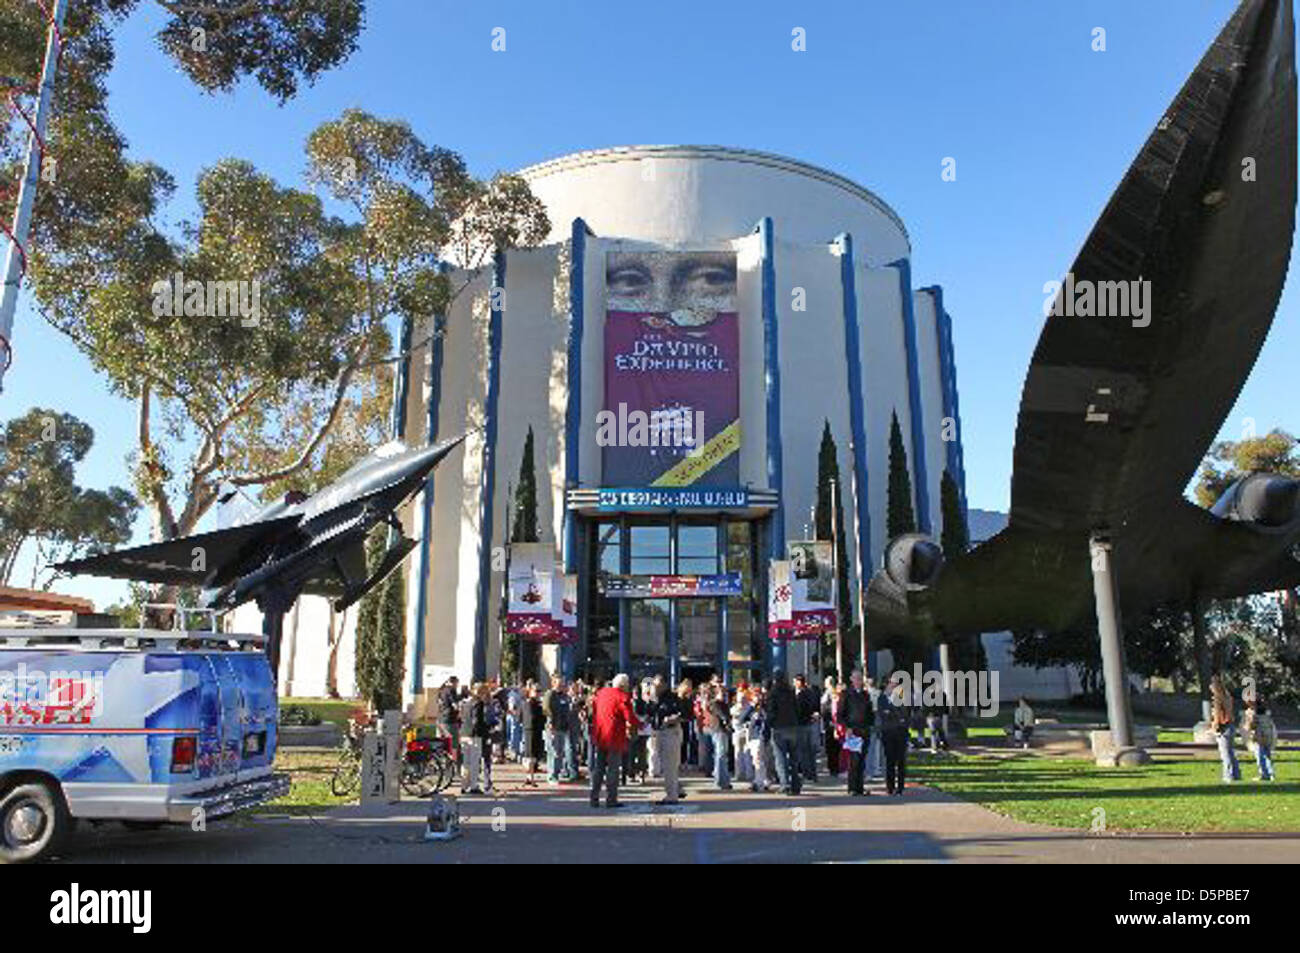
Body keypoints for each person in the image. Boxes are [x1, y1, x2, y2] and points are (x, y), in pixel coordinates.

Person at [590, 673, 639, 808]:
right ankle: (611, 799)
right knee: (613, 770)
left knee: (598, 769)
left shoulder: (601, 693)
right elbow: (629, 717)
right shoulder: (622, 697)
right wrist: (640, 724)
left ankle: (594, 798)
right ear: (623, 685)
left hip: (600, 735)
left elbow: (594, 712)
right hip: (614, 737)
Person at [765, 670, 802, 794]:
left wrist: (767, 728)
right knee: (794, 758)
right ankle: (796, 784)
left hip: (779, 727)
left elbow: (771, 713)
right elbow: (797, 709)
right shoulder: (791, 692)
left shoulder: (772, 694)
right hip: (793, 727)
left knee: (781, 758)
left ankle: (785, 784)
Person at [652, 677, 686, 804]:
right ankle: (676, 790)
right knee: (668, 765)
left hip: (670, 732)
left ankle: (672, 796)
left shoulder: (671, 698)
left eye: (658, 685)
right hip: (662, 732)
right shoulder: (658, 698)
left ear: (664, 685)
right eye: (655, 686)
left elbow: (681, 714)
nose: (656, 688)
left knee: (669, 766)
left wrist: (669, 719)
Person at [838, 669, 873, 795]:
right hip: (852, 731)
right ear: (851, 679)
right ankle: (852, 788)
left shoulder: (865, 695)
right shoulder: (846, 694)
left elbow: (869, 713)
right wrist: (846, 727)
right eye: (856, 678)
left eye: (860, 678)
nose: (858, 681)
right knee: (854, 760)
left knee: (862, 760)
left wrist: (870, 725)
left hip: (864, 730)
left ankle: (860, 787)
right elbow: (840, 714)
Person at [878, 676, 910, 796]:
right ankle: (890, 787)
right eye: (892, 683)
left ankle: (900, 787)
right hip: (888, 732)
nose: (894, 686)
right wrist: (895, 715)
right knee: (889, 761)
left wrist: (892, 713)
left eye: (896, 684)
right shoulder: (882, 698)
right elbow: (882, 714)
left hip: (901, 732)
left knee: (901, 761)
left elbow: (904, 713)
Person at [459, 683, 491, 794]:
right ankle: (473, 786)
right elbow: (477, 721)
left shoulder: (467, 703)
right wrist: (487, 729)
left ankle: (464, 785)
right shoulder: (479, 703)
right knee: (474, 762)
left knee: (466, 762)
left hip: (464, 733)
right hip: (474, 735)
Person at [1210, 675, 1241, 783]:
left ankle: (1228, 775)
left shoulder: (1217, 699)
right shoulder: (1228, 697)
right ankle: (1236, 774)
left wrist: (1215, 727)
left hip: (1223, 726)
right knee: (1231, 751)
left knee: (1225, 753)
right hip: (1231, 724)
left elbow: (1217, 714)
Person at [544, 675, 574, 784]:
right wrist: (550, 722)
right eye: (559, 683)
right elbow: (546, 709)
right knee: (553, 752)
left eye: (562, 683)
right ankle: (551, 776)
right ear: (553, 683)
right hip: (553, 727)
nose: (561, 685)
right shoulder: (550, 694)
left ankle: (557, 773)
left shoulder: (565, 696)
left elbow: (567, 710)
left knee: (560, 752)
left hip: (563, 727)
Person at [703, 684, 733, 790]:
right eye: (722, 692)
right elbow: (723, 717)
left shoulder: (715, 704)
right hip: (719, 730)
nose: (725, 694)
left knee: (720, 755)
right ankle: (721, 780)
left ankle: (722, 779)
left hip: (716, 730)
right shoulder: (716, 704)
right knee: (721, 755)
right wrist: (728, 723)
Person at [1241, 694, 1276, 782]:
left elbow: (1251, 724)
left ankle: (1264, 773)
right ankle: (1271, 773)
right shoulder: (1265, 712)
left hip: (1258, 735)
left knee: (1260, 755)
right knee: (1267, 754)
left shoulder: (1251, 712)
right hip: (1268, 733)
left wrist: (1246, 727)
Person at [793, 674, 820, 782]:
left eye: (796, 681)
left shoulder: (804, 694)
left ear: (800, 682)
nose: (794, 683)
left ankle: (808, 774)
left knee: (805, 751)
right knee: (808, 751)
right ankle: (810, 773)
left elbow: (805, 709)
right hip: (806, 723)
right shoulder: (807, 693)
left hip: (803, 724)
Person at [744, 686, 771, 792]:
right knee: (756, 760)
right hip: (751, 736)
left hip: (760, 736)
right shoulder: (750, 708)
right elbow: (742, 718)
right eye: (755, 695)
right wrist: (751, 707)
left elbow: (767, 720)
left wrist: (762, 709)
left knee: (758, 760)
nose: (757, 697)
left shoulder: (765, 707)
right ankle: (764, 780)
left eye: (759, 694)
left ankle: (758, 782)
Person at [521, 680, 546, 786]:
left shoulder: (534, 703)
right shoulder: (530, 704)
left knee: (532, 755)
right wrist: (542, 719)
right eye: (536, 691)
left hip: (533, 730)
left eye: (539, 691)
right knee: (530, 755)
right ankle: (530, 777)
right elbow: (532, 718)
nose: (538, 693)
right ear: (530, 691)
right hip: (531, 730)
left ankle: (529, 777)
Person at [437, 676, 461, 767]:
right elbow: (455, 705)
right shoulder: (451, 690)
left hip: (440, 719)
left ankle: (442, 764)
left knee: (443, 742)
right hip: (450, 719)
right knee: (453, 743)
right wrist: (460, 711)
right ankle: (452, 764)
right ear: (454, 683)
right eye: (457, 683)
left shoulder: (441, 690)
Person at [731, 684, 753, 783]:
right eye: (740, 698)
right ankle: (739, 774)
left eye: (743, 698)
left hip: (747, 732)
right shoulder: (734, 708)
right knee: (738, 753)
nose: (742, 700)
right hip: (737, 732)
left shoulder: (749, 707)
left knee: (747, 753)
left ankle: (749, 774)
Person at [821, 676, 841, 778]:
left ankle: (833, 767)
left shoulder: (830, 694)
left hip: (830, 723)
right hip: (830, 723)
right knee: (833, 746)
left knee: (831, 746)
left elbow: (829, 709)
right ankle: (834, 767)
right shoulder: (831, 693)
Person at [865, 676, 883, 781]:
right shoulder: (879, 693)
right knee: (877, 743)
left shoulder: (866, 694)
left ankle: (870, 769)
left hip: (870, 718)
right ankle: (876, 766)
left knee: (870, 744)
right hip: (878, 717)